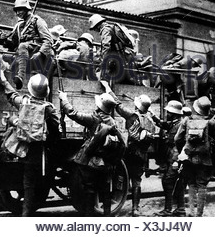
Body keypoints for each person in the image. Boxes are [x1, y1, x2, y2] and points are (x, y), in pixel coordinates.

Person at [0, 72, 60, 216]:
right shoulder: (49, 108)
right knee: (30, 183)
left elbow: (11, 95)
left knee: (26, 181)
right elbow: (55, 131)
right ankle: (26, 214)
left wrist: (3, 80)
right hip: (38, 151)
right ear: (46, 92)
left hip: (19, 147)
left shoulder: (24, 101)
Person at [58, 89, 125, 216]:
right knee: (105, 190)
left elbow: (73, 113)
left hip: (92, 162)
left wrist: (64, 99)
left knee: (89, 190)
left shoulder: (94, 119)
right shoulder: (113, 122)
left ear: (99, 106)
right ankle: (106, 216)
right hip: (106, 162)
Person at [101, 80, 156, 217]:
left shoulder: (132, 116)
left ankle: (114, 201)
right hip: (142, 155)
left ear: (137, 105)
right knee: (137, 181)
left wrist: (108, 87)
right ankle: (135, 209)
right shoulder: (150, 121)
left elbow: (117, 104)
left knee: (120, 177)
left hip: (129, 153)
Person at [179, 96, 215, 217]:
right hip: (205, 159)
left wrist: (183, 151)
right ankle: (199, 214)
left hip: (188, 159)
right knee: (202, 186)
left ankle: (191, 212)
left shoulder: (186, 120)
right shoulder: (211, 123)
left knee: (191, 184)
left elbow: (177, 139)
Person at [3, 0, 54, 89]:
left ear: (27, 9)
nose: (18, 13)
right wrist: (4, 40)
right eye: (16, 10)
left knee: (22, 46)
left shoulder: (37, 21)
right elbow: (12, 42)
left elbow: (48, 40)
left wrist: (40, 53)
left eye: (20, 10)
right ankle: (15, 82)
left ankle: (21, 76)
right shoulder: (20, 25)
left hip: (36, 49)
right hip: (24, 52)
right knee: (6, 58)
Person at [151, 100, 187, 217]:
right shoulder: (175, 123)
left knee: (167, 181)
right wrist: (153, 116)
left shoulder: (180, 125)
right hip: (172, 156)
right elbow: (164, 124)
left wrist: (177, 161)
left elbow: (181, 144)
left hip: (176, 157)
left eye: (169, 112)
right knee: (178, 184)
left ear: (175, 113)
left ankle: (168, 210)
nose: (167, 113)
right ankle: (180, 209)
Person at [89, 14, 137, 85]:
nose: (95, 31)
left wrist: (104, 61)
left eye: (94, 28)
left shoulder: (105, 30)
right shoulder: (111, 27)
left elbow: (106, 46)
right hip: (123, 59)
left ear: (97, 25)